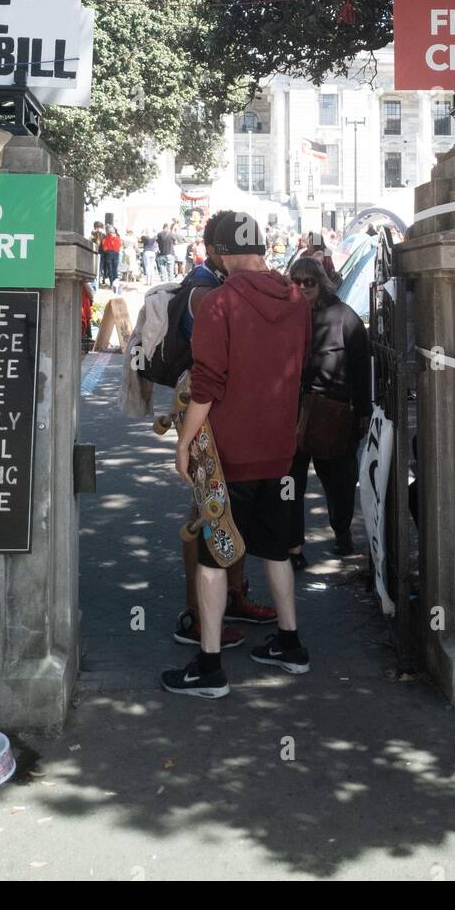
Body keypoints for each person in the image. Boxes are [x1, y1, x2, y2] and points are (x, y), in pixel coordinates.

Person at [161, 212, 311, 699]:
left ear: (220, 252)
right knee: (275, 548)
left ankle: (209, 667)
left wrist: (183, 443)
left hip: (228, 457)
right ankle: (290, 644)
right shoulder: (295, 299)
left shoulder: (219, 303)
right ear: (261, 247)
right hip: (279, 451)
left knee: (211, 557)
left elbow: (206, 385)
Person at [171, 211, 277, 651]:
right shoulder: (203, 290)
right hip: (205, 421)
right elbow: (215, 367)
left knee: (227, 517)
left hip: (221, 419)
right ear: (215, 250)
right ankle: (197, 617)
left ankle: (234, 596)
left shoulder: (217, 284)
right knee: (206, 518)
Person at [288, 257, 371, 564]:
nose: (303, 287)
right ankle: (293, 545)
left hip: (332, 411)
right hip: (294, 410)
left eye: (309, 281)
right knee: (290, 483)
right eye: (296, 281)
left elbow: (362, 369)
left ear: (320, 281)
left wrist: (363, 412)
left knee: (339, 481)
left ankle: (343, 534)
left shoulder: (344, 316)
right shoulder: (287, 315)